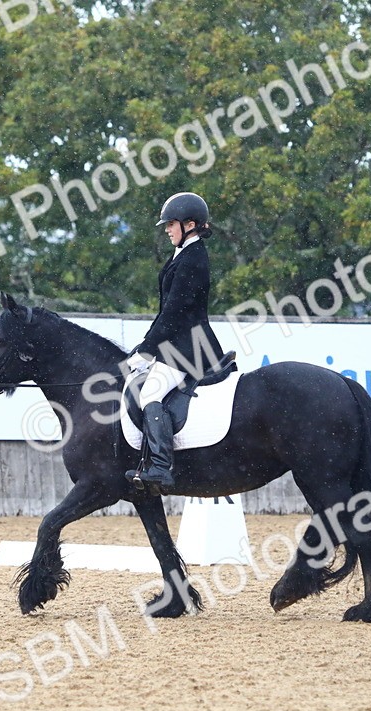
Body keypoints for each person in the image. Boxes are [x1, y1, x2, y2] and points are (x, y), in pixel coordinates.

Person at [125, 191, 227, 493]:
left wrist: (147, 350)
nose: (167, 230)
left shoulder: (193, 259)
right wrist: (144, 345)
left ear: (190, 224)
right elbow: (166, 312)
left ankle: (160, 468)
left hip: (189, 347)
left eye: (171, 224)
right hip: (179, 342)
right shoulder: (183, 254)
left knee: (150, 394)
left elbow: (174, 312)